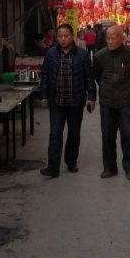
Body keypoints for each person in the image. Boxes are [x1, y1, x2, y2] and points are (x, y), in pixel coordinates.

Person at [38, 23, 97, 177]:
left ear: (73, 37)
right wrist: (43, 95)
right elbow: (45, 75)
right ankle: (53, 167)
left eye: (66, 36)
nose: (63, 39)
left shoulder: (82, 55)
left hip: (75, 101)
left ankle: (71, 161)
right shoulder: (50, 54)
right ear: (57, 37)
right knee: (55, 133)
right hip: (56, 101)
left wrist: (91, 97)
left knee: (74, 133)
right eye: (60, 36)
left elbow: (89, 78)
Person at [93, 24, 130, 181]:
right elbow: (97, 76)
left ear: (122, 38)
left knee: (128, 134)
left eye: (114, 38)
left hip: (126, 101)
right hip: (107, 102)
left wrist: (127, 89)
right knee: (107, 135)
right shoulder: (100, 56)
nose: (110, 41)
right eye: (108, 38)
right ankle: (109, 168)